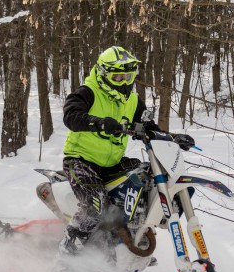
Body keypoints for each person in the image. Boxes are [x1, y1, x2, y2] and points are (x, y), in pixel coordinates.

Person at [58, 45, 161, 255]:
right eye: (117, 78)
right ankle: (66, 255)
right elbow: (71, 115)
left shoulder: (132, 101)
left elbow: (149, 127)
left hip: (111, 163)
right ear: (104, 75)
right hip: (81, 161)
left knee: (145, 177)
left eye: (128, 76)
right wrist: (99, 123)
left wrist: (171, 138)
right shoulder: (88, 92)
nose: (124, 82)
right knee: (95, 206)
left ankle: (127, 239)